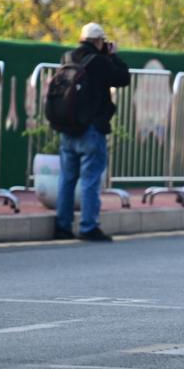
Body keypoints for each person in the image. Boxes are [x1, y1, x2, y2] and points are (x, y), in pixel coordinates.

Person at [54, 23, 130, 242]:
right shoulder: (99, 61)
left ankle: (62, 225)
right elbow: (123, 78)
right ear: (99, 41)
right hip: (91, 130)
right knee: (90, 180)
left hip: (68, 128)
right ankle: (88, 227)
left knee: (67, 179)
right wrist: (113, 56)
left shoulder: (67, 57)